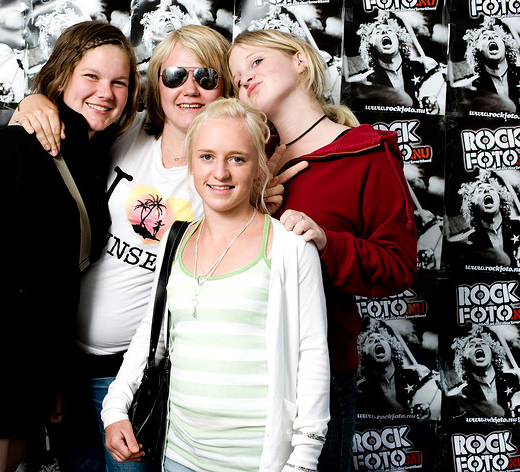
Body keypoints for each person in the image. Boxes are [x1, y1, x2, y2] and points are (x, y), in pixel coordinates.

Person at [11, 25, 301, 471]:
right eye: (175, 76)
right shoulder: (119, 134)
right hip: (65, 363)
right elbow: (61, 124)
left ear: (224, 87)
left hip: (137, 375)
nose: (190, 89)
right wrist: (33, 103)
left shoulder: (224, 173)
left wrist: (260, 198)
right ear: (156, 84)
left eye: (206, 77)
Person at [0, 21, 140, 472]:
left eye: (120, 82)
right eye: (91, 76)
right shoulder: (11, 147)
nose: (106, 92)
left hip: (26, 373)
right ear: (61, 77)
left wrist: (53, 378)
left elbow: (55, 285)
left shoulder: (89, 164)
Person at [102, 97, 329, 472]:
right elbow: (151, 334)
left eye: (237, 159)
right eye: (207, 156)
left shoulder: (290, 247)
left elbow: (313, 358)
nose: (220, 172)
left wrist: (302, 462)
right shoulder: (175, 239)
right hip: (178, 455)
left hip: (257, 461)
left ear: (258, 168)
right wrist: (114, 407)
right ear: (191, 164)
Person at [229, 29, 418, 472]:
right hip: (242, 364)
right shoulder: (249, 158)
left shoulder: (367, 153)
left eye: (256, 62)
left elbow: (398, 266)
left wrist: (327, 242)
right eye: (236, 77)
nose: (245, 79)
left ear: (300, 60)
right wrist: (251, 208)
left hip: (318, 373)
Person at [448, 326, 520, 418]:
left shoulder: (514, 379)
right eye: (471, 345)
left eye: (483, 343)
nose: (478, 345)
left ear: (492, 353)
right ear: (464, 359)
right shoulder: (464, 393)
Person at [456, 171, 520, 268]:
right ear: (472, 203)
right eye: (480, 191)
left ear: (500, 198)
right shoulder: (469, 239)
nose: (486, 191)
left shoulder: (518, 226)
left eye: (491, 189)